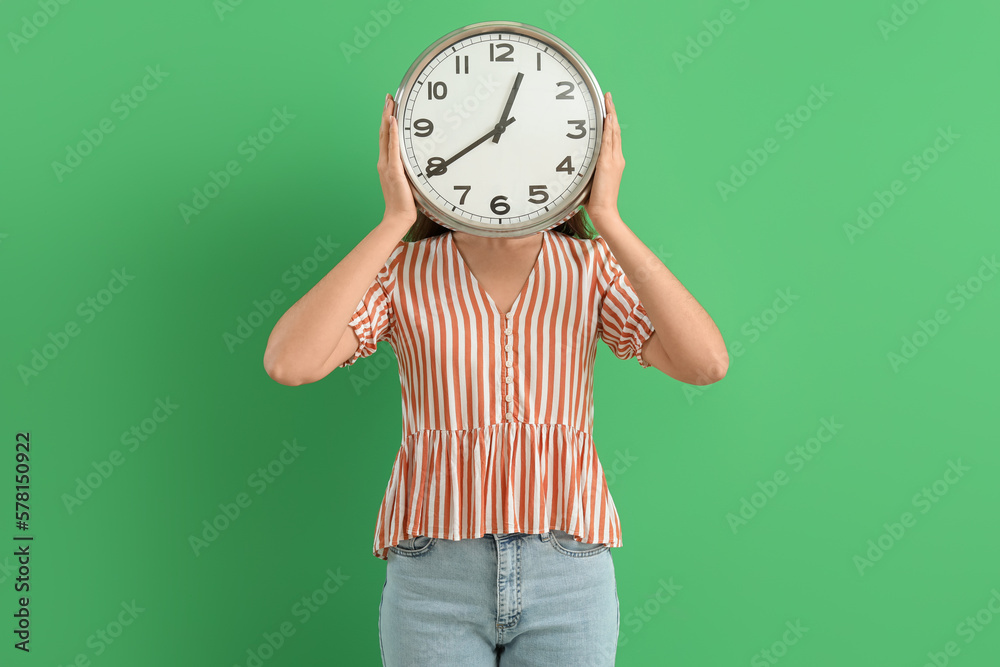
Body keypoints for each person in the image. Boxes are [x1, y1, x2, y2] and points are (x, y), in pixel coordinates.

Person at [263, 91, 728, 666]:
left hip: (567, 566)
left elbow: (706, 363)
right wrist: (394, 222)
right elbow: (290, 362)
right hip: (434, 569)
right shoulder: (403, 273)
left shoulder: (589, 268)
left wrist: (608, 217)